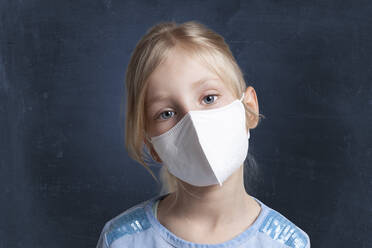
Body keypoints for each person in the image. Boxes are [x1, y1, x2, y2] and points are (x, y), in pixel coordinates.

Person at [96, 20, 310, 248]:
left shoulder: (286, 243)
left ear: (249, 110)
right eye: (167, 113)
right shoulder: (122, 240)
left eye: (209, 98)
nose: (193, 123)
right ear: (153, 147)